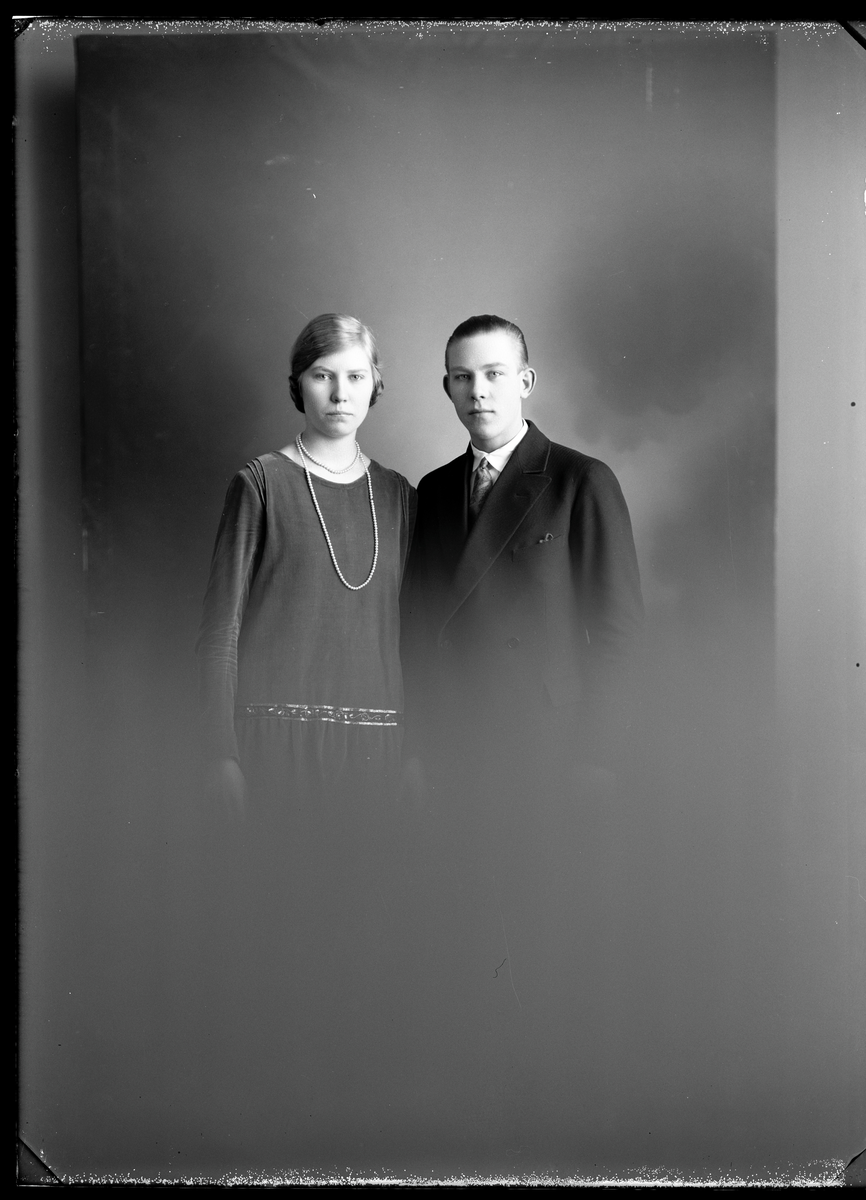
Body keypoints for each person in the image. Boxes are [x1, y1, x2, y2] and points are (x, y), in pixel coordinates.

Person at [402, 313, 644, 1147]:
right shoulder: (433, 491)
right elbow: (414, 632)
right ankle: (471, 1121)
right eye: (461, 377)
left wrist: (598, 758)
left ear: (526, 381)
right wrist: (417, 749)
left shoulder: (580, 480)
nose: (478, 391)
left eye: (494, 373)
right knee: (463, 935)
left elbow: (619, 634)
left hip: (550, 756)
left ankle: (557, 1122)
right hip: (456, 756)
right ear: (445, 388)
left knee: (547, 939)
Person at [195, 313, 417, 1134]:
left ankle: (353, 1116)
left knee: (364, 934)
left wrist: (415, 752)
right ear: (298, 384)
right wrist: (220, 754)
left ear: (376, 385)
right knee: (277, 931)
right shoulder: (259, 483)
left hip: (375, 751)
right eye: (323, 374)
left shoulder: (399, 496)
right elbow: (219, 629)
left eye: (355, 376)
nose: (339, 392)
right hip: (273, 746)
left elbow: (414, 637)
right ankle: (273, 1115)